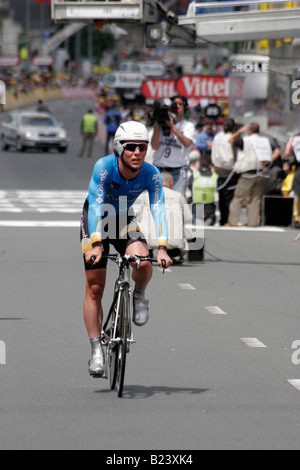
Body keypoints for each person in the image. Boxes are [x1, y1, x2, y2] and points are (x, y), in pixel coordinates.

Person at [80, 121, 173, 377]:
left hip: (123, 219)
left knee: (143, 261)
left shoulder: (151, 173)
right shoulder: (104, 167)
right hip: (96, 219)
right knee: (95, 287)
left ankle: (139, 295)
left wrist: (163, 247)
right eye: (131, 147)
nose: (137, 152)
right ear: (119, 149)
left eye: (141, 147)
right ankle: (96, 349)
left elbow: (158, 209)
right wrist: (96, 244)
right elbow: (96, 207)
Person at [137, 172, 192, 264]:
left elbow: (139, 217)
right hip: (174, 241)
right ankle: (173, 254)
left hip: (149, 240)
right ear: (171, 184)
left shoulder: (147, 195)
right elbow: (188, 218)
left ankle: (148, 253)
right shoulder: (178, 196)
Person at [151, 95, 198, 197]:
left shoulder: (188, 126)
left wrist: (173, 127)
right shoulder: (161, 123)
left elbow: (187, 143)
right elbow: (154, 146)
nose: (177, 107)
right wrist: (156, 124)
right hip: (159, 169)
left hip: (178, 171)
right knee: (156, 202)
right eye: (174, 104)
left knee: (176, 204)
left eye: (180, 104)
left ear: (185, 107)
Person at [227, 123, 272, 227]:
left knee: (238, 198)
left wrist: (239, 131)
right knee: (255, 199)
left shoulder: (245, 140)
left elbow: (230, 140)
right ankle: (251, 223)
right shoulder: (264, 141)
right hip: (260, 172)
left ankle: (232, 222)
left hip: (247, 174)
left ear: (249, 131)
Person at [211, 118, 240, 225]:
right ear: (233, 128)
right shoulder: (232, 138)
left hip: (217, 168)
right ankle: (228, 219)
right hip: (229, 170)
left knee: (222, 196)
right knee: (230, 197)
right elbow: (236, 154)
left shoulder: (217, 136)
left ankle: (223, 219)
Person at [189, 154, 218, 226]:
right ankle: (210, 218)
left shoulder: (195, 174)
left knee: (197, 228)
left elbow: (190, 185)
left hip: (197, 205)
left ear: (200, 164)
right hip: (209, 205)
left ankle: (198, 220)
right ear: (210, 164)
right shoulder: (214, 176)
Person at [284, 133, 300, 228]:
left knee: (298, 195)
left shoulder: (295, 139)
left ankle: (298, 218)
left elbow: (287, 152)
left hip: (299, 168)